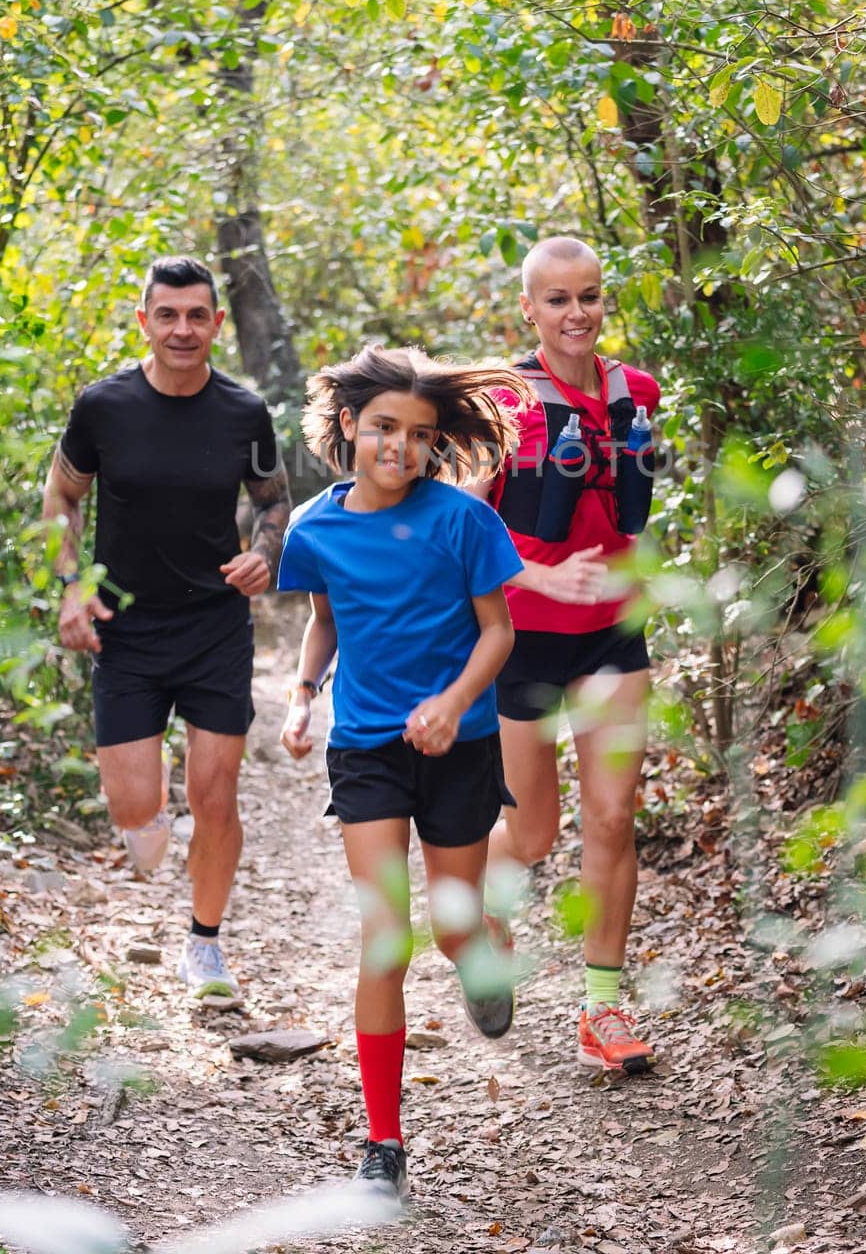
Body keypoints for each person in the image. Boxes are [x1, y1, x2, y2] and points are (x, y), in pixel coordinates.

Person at [277, 345, 525, 1200]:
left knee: (453, 933)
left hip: (460, 743)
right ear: (348, 425)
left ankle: (482, 952)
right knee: (384, 937)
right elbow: (324, 620)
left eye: (419, 434)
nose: (400, 447)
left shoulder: (462, 521)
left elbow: (498, 634)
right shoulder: (313, 527)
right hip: (367, 750)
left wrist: (453, 704)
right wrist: (303, 696)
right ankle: (382, 1143)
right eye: (383, 427)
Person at [42, 255, 290, 1003]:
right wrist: (71, 587)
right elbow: (61, 494)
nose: (182, 329)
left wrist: (264, 553)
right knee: (135, 816)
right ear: (143, 320)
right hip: (127, 626)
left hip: (215, 625)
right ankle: (158, 831)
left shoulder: (244, 413)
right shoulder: (103, 407)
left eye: (196, 316)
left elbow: (275, 501)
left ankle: (205, 945)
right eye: (167, 314)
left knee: (215, 796)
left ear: (216, 323)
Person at [483, 235, 661, 1074]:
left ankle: (602, 1009)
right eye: (556, 300)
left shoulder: (638, 393)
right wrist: (546, 578)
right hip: (521, 638)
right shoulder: (501, 401)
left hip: (613, 633)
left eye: (587, 296)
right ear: (529, 309)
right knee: (531, 834)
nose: (575, 314)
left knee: (613, 817)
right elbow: (463, 531)